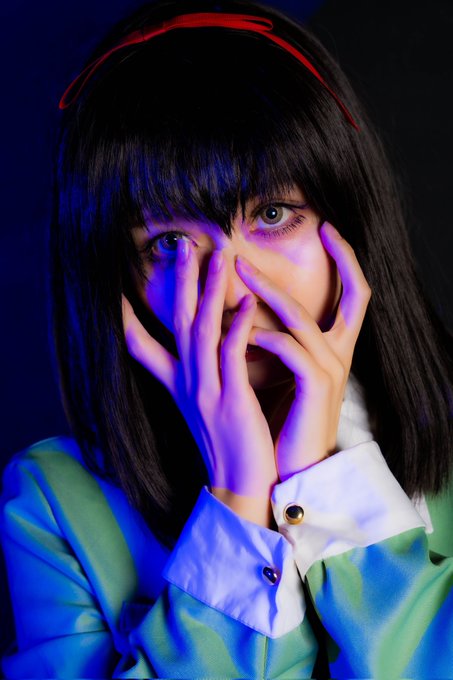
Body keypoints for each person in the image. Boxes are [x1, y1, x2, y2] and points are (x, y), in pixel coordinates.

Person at [1, 0, 453, 677]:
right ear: (115, 281)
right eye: (170, 244)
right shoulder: (53, 506)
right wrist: (239, 502)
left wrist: (326, 480)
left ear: (351, 222)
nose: (234, 292)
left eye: (272, 214)